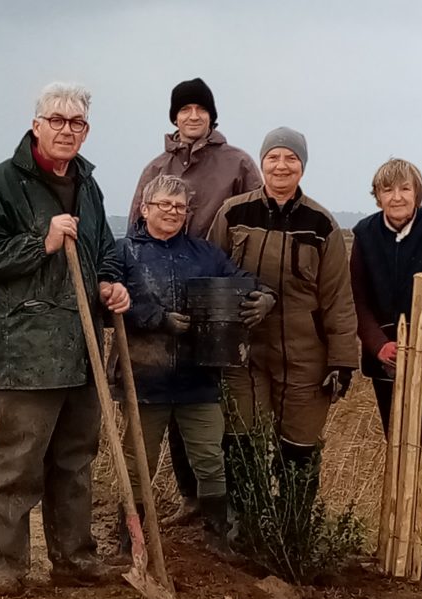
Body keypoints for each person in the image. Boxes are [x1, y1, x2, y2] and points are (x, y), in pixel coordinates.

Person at [0, 82, 130, 597]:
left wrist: (109, 282)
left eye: (76, 122)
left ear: (86, 131)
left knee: (75, 458)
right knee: (19, 460)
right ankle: (3, 563)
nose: (66, 130)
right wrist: (41, 243)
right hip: (28, 348)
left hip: (82, 345)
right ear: (36, 124)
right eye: (57, 120)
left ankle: (74, 557)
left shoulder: (89, 185)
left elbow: (103, 248)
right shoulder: (4, 182)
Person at [127, 77, 263, 526]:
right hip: (155, 315)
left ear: (211, 116)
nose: (192, 116)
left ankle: (214, 520)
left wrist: (255, 290)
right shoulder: (155, 168)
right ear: (174, 117)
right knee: (150, 433)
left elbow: (255, 220)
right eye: (183, 109)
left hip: (212, 289)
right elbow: (131, 238)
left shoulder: (238, 162)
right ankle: (144, 522)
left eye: (200, 109)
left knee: (203, 424)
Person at [115, 174, 274, 556]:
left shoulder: (205, 255)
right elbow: (106, 300)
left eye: (179, 206)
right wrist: (156, 318)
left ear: (188, 213)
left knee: (209, 459)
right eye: (163, 204)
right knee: (138, 463)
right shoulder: (122, 253)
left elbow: (241, 280)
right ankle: (130, 541)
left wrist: (264, 295)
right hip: (144, 378)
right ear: (144, 208)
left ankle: (216, 537)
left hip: (197, 378)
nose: (172, 212)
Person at [207, 127, 357, 499]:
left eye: (291, 158)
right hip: (243, 355)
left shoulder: (322, 225)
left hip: (304, 356)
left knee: (299, 449)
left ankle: (292, 536)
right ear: (262, 163)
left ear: (302, 167)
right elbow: (211, 274)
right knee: (241, 440)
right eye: (273, 157)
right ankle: (247, 526)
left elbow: (338, 297)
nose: (281, 165)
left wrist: (342, 361)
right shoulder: (233, 212)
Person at [350, 158, 422, 433]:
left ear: (417, 194)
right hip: (386, 356)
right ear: (378, 197)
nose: (396, 197)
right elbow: (358, 300)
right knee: (398, 437)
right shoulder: (364, 234)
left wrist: (419, 347)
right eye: (387, 190)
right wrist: (379, 346)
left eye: (405, 189)